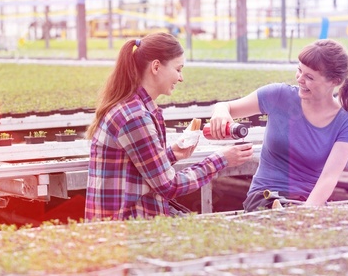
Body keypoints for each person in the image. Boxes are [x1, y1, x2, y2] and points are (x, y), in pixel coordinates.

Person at [85, 32, 253, 221]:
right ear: (156, 67)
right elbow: (169, 186)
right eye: (178, 69)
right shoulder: (135, 117)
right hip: (127, 230)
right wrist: (220, 159)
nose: (181, 78)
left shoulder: (131, 108)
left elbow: (138, 170)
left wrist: (172, 153)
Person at [209, 39, 348, 212]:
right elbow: (226, 106)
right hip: (266, 197)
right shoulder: (278, 96)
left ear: (334, 81)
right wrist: (221, 111)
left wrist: (306, 212)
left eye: (309, 77)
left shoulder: (347, 121)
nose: (300, 79)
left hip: (309, 202)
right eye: (299, 71)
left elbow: (329, 177)